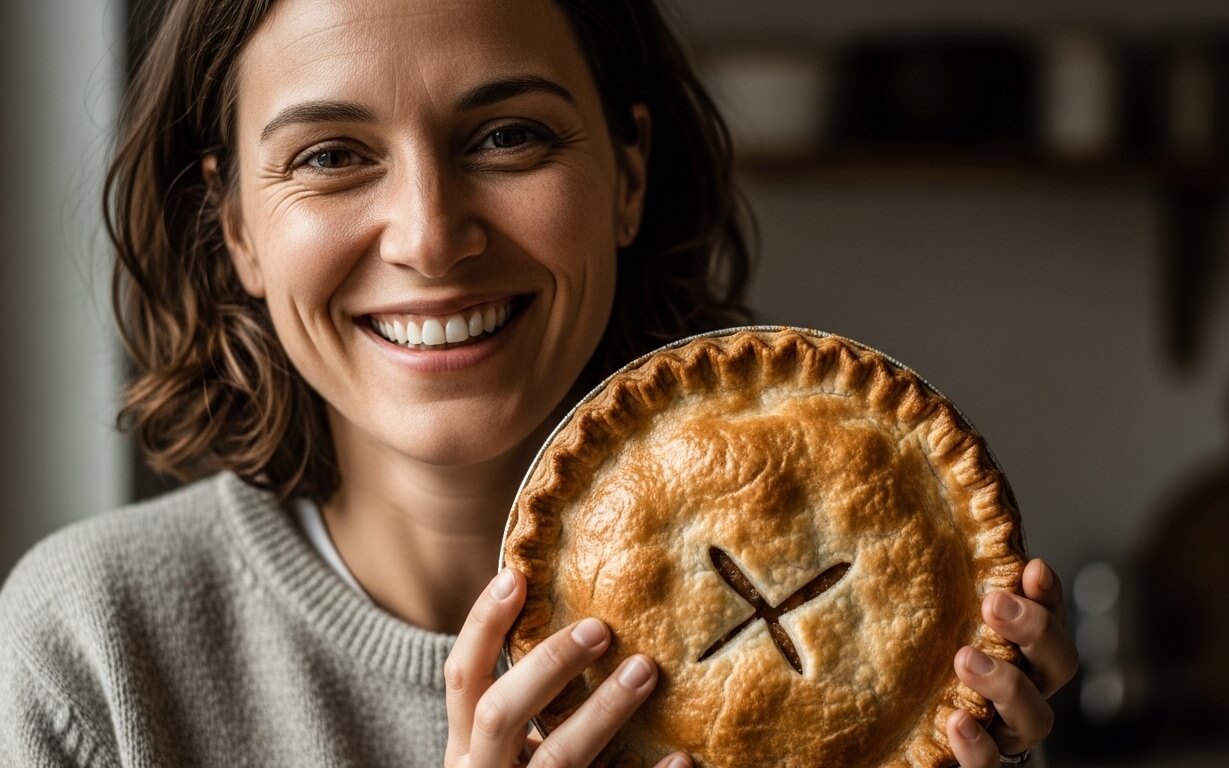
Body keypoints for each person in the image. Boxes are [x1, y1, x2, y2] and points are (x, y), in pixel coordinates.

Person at [0, 0, 1078, 765]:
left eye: (508, 136)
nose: (429, 236)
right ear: (236, 224)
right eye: (330, 154)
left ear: (627, 176)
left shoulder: (913, 665)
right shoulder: (99, 651)